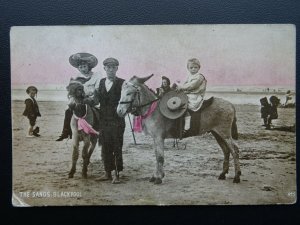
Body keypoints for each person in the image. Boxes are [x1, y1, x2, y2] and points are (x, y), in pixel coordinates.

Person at [93, 57, 125, 184]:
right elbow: (97, 100)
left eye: (113, 67)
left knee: (117, 147)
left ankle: (117, 174)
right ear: (104, 68)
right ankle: (107, 173)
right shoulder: (101, 82)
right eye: (108, 67)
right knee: (105, 147)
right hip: (103, 120)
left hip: (117, 120)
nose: (111, 70)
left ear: (117, 69)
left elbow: (127, 100)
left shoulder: (123, 83)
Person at [56, 53, 101, 141]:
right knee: (68, 110)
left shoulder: (96, 76)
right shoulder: (76, 77)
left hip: (92, 98)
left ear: (89, 66)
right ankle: (66, 132)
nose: (82, 69)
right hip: (80, 98)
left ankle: (99, 131)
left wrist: (91, 96)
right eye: (80, 67)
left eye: (84, 66)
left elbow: (97, 88)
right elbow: (72, 90)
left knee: (100, 111)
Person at [174, 58, 207, 135]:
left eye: (195, 67)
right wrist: (179, 85)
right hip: (188, 94)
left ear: (199, 68)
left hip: (195, 96)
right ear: (188, 68)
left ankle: (187, 124)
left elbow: (192, 85)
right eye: (191, 68)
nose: (193, 69)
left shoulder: (199, 77)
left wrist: (181, 87)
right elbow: (185, 84)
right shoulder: (189, 76)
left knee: (182, 104)